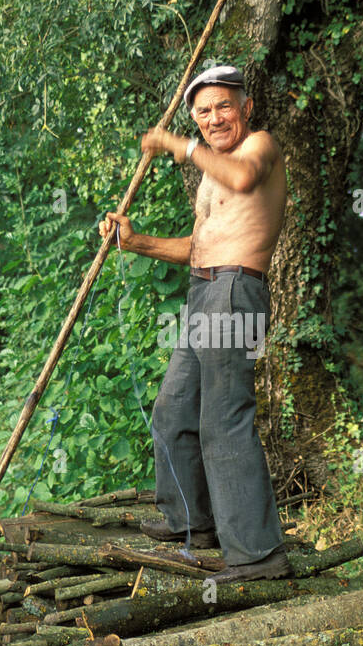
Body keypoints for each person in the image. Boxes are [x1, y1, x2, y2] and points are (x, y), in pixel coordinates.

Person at [98, 64, 290, 582]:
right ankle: (195, 523)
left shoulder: (259, 148)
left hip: (236, 289)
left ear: (246, 107)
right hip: (204, 288)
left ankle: (257, 555)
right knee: (174, 409)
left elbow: (245, 178)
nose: (213, 118)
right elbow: (196, 246)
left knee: (224, 418)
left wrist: (176, 145)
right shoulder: (211, 174)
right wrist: (135, 242)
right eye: (202, 112)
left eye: (223, 105)